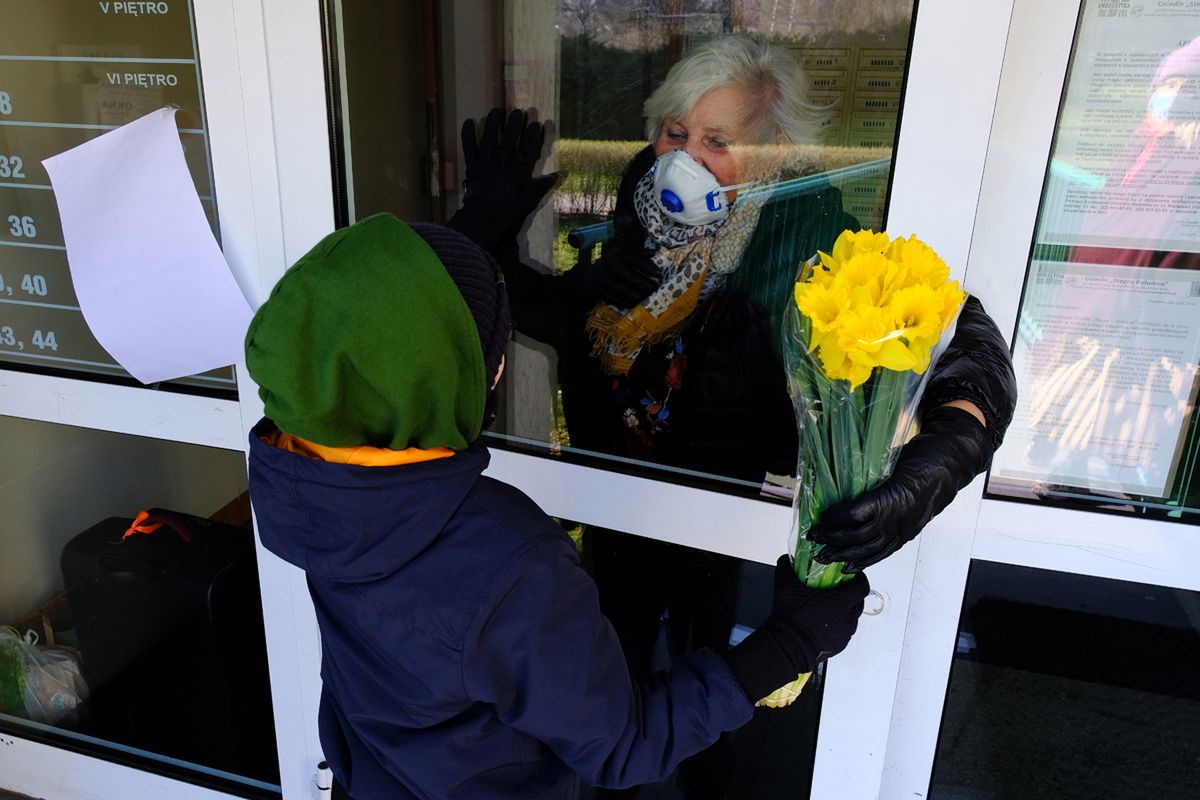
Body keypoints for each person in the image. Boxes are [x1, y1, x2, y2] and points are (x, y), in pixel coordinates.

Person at [488, 36, 1016, 798]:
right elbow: (562, 322)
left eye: (719, 141)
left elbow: (958, 337)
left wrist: (947, 453)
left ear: (774, 149)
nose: (687, 158)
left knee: (714, 670)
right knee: (613, 670)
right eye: (676, 133)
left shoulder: (810, 231)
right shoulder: (641, 216)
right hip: (616, 501)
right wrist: (508, 250)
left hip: (721, 508)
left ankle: (709, 778)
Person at [243, 188, 871, 796]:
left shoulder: (312, 485)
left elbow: (370, 334)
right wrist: (787, 643)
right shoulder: (507, 563)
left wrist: (482, 214)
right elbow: (622, 744)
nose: (500, 366)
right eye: (493, 351)